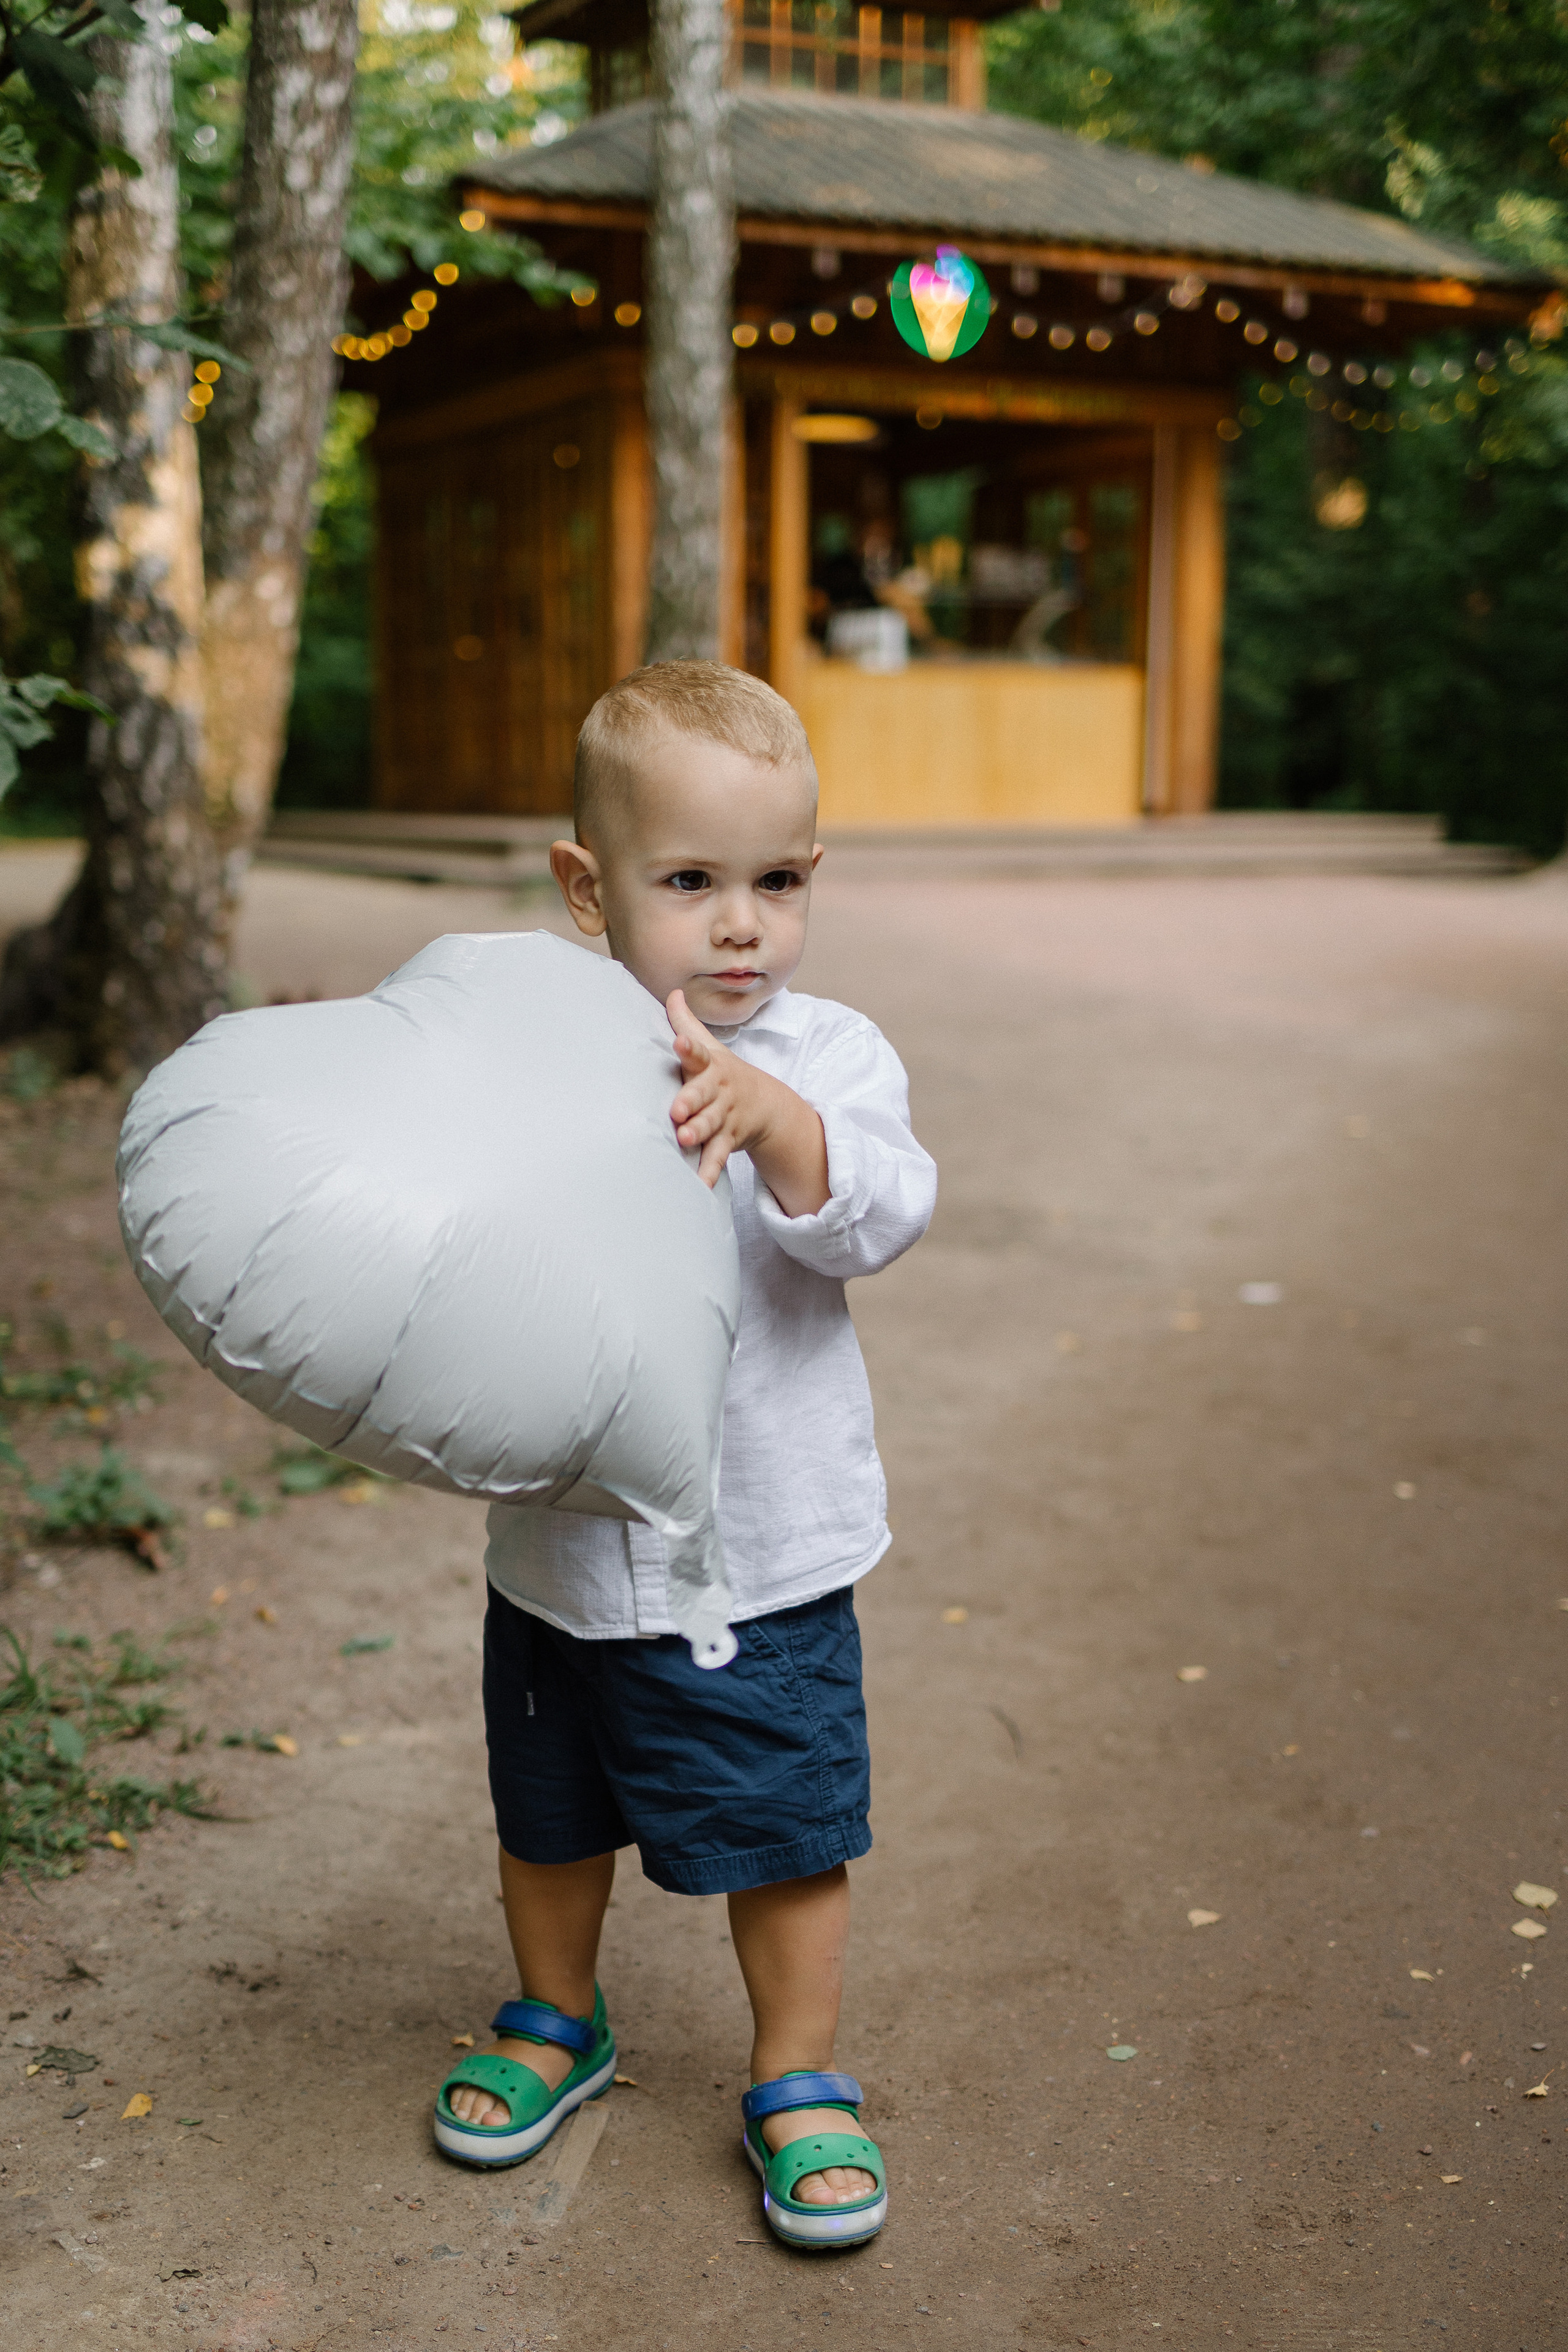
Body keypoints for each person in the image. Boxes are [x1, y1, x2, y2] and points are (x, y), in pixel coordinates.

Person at [430, 659, 937, 2250]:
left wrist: (774, 1117)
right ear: (589, 888)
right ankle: (557, 2016)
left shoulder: (829, 1054)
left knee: (785, 1827)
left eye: (777, 882)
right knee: (549, 1811)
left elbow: (882, 1209)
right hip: (564, 1544)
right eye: (693, 882)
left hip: (757, 1551)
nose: (742, 925)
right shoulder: (542, 1048)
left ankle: (797, 2075)